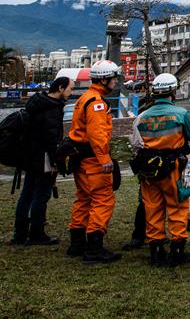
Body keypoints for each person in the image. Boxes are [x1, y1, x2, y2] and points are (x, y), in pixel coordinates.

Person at [132, 73, 190, 267]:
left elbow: (137, 144)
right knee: (178, 206)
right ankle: (177, 251)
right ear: (173, 91)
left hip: (149, 170)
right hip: (176, 167)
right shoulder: (181, 114)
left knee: (152, 209)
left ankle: (156, 251)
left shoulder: (141, 117)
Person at [66, 59, 121, 264]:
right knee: (102, 199)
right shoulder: (97, 103)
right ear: (104, 79)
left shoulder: (85, 98)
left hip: (81, 158)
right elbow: (97, 134)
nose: (115, 81)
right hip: (93, 160)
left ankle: (77, 243)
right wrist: (104, 158)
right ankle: (94, 247)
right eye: (113, 78)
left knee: (83, 198)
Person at [11, 76, 74, 245]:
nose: (71, 92)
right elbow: (51, 140)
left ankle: (20, 233)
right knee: (42, 194)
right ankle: (37, 233)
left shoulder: (37, 103)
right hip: (44, 158)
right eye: (70, 89)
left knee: (27, 194)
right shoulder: (51, 109)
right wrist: (54, 163)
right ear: (60, 88)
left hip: (30, 155)